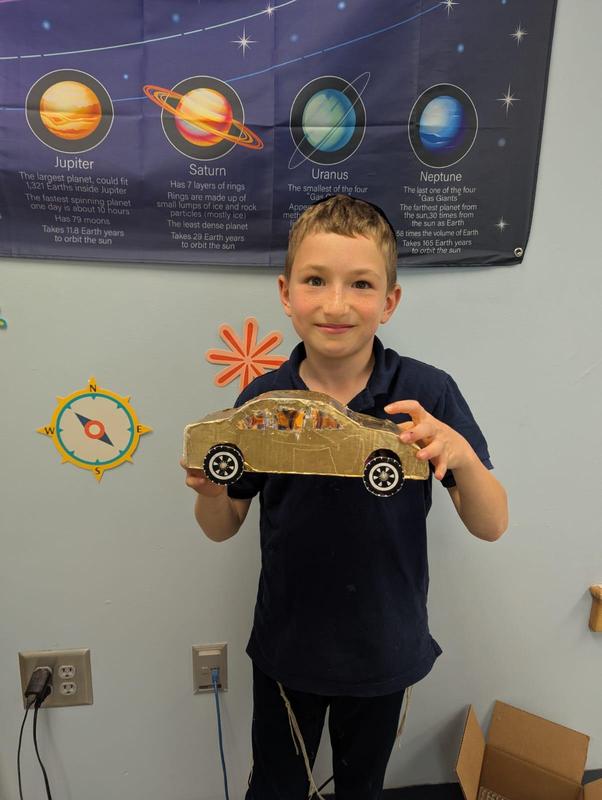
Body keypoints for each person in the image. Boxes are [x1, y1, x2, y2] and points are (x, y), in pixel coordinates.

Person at [181, 194, 508, 800]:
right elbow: (222, 525)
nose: (335, 304)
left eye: (360, 284)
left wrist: (459, 453)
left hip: (385, 645)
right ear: (285, 293)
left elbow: (491, 524)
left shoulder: (425, 391)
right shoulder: (265, 396)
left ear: (389, 301)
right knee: (278, 786)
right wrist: (209, 490)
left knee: (363, 788)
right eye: (315, 280)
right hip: (288, 646)